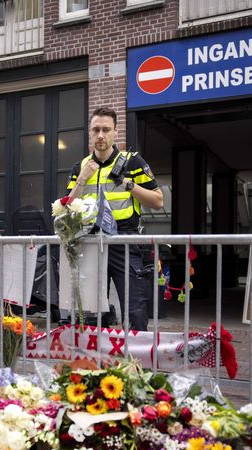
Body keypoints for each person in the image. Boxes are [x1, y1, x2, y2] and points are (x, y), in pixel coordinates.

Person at [67, 107, 163, 331]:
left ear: (115, 133)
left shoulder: (132, 162)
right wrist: (81, 180)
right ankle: (93, 362)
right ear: (90, 134)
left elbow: (158, 201)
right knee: (88, 311)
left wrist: (128, 184)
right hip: (89, 244)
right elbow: (67, 209)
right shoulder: (80, 167)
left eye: (106, 130)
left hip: (124, 242)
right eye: (96, 130)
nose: (100, 135)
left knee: (134, 309)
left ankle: (138, 364)